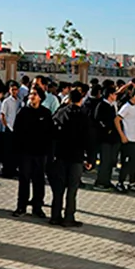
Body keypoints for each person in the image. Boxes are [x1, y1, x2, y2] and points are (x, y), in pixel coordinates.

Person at [49, 89, 91, 227]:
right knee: (72, 189)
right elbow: (89, 139)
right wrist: (90, 158)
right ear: (81, 100)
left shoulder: (60, 113)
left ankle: (55, 216)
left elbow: (52, 132)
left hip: (60, 155)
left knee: (58, 189)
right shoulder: (84, 115)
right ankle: (69, 217)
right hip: (76, 157)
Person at [12, 85, 53, 218]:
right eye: (31, 94)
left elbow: (50, 134)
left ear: (40, 97)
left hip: (40, 153)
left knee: (39, 180)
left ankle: (37, 207)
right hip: (25, 153)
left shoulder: (46, 113)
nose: (32, 96)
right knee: (24, 180)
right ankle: (21, 207)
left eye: (35, 94)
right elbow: (16, 132)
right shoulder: (23, 112)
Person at [115, 88, 135, 193]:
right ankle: (120, 182)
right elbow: (117, 119)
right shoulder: (126, 107)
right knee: (126, 162)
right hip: (128, 139)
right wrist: (122, 135)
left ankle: (132, 183)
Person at [94, 86, 120, 190]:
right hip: (104, 138)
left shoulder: (112, 106)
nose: (116, 96)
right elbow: (98, 120)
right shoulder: (102, 105)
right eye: (115, 94)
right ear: (110, 95)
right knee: (105, 160)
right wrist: (107, 129)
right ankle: (101, 182)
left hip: (113, 138)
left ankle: (107, 181)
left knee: (110, 161)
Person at [0, 80, 21, 178]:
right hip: (8, 129)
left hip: (16, 129)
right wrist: (6, 126)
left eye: (16, 89)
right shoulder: (6, 101)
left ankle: (12, 170)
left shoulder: (19, 101)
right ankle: (6, 171)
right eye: (12, 89)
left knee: (14, 152)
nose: (14, 91)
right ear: (9, 90)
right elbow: (2, 115)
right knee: (7, 152)